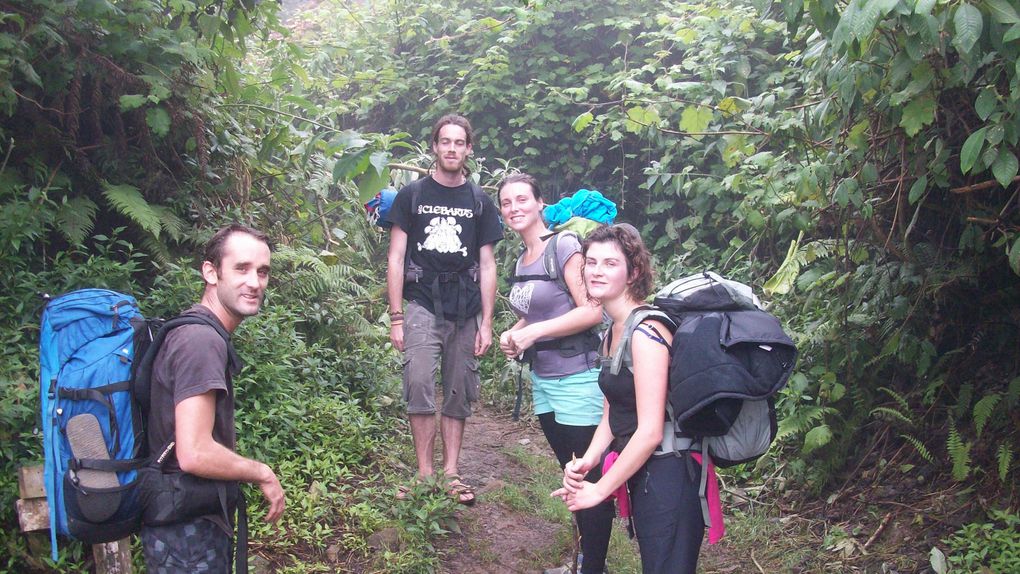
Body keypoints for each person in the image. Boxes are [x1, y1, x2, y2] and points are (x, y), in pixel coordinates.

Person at [552, 225, 705, 574]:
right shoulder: (613, 331)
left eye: (610, 263)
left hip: (671, 471)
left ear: (633, 272)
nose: (596, 271)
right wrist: (587, 461)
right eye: (591, 262)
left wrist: (599, 491)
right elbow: (613, 412)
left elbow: (650, 430)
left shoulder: (648, 332)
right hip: (646, 472)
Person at [141, 224, 286, 573]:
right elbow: (194, 452)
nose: (255, 282)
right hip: (186, 534)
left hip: (180, 524)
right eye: (242, 268)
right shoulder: (200, 342)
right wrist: (262, 473)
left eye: (262, 271)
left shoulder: (195, 332)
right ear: (210, 271)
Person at [497, 174, 614, 574]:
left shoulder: (563, 246)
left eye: (522, 200)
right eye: (507, 203)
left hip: (577, 379)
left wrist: (533, 332)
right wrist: (513, 334)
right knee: (570, 470)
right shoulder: (521, 259)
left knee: (585, 475)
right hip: (544, 382)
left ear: (540, 203)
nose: (515, 208)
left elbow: (591, 310)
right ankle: (584, 558)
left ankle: (591, 566)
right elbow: (536, 313)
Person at [387, 114, 503, 504]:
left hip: (466, 307)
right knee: (418, 381)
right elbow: (395, 257)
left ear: (469, 149)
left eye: (459, 142)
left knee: (458, 389)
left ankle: (451, 473)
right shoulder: (412, 196)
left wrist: (487, 321)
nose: (452, 148)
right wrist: (396, 316)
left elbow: (488, 264)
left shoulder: (479, 201)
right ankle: (424, 473)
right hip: (421, 304)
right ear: (434, 147)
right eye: (445, 142)